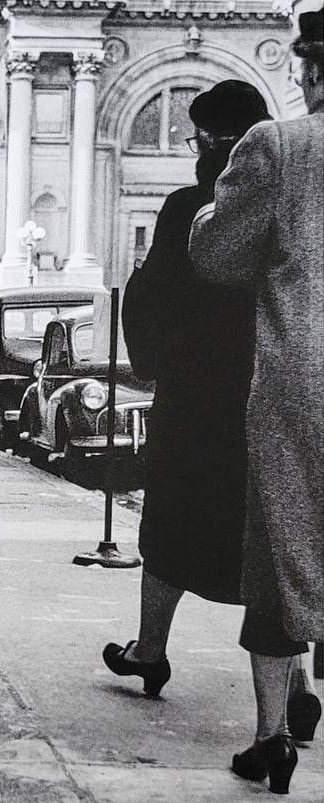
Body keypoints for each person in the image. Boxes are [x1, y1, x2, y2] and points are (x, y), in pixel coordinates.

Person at [188, 8, 323, 794]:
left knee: (279, 547)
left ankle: (272, 735)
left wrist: (211, 208)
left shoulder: (280, 146)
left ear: (308, 72)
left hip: (300, 386)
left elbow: (217, 256)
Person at [102, 80, 269, 699]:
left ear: (208, 143)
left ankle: (150, 649)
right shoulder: (289, 201)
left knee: (170, 522)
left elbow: (151, 297)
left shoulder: (187, 207)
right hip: (268, 391)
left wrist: (153, 360)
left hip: (197, 395)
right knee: (267, 534)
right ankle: (294, 685)